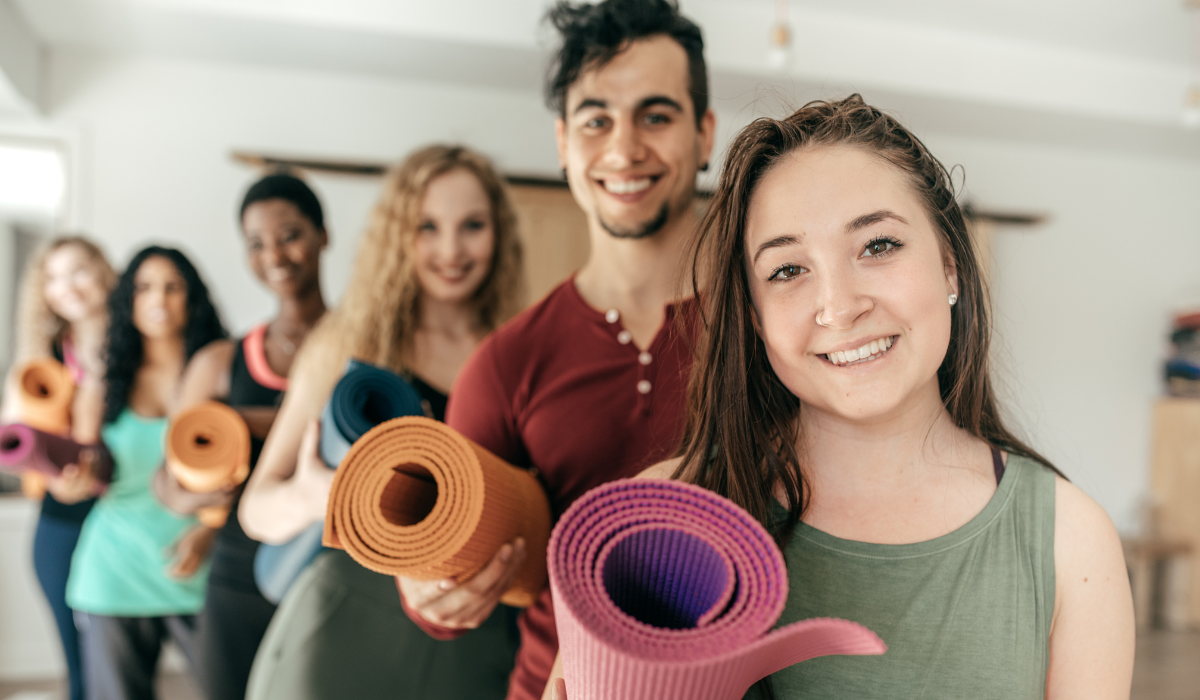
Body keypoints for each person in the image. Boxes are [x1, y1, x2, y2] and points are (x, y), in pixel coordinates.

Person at [552, 95, 1135, 699]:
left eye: (878, 246)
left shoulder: (1072, 541)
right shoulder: (657, 517)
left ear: (951, 266)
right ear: (754, 320)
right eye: (787, 270)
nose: (839, 305)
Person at [396, 2, 716, 699]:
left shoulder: (776, 333)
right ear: (565, 142)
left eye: (656, 116)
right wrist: (429, 586)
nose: (624, 149)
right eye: (598, 120)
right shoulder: (507, 362)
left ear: (705, 133)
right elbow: (449, 567)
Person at [237, 144, 525, 700]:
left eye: (472, 226)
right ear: (397, 234)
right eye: (427, 227)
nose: (451, 249)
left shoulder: (516, 353)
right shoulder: (350, 343)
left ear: (499, 234)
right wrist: (319, 495)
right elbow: (256, 510)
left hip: (473, 633)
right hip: (345, 626)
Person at [151, 173, 329, 700]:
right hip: (238, 577)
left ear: (324, 235)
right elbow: (167, 481)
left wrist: (251, 425)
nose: (274, 254)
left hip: (331, 575)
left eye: (290, 234)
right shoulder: (220, 364)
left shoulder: (362, 347)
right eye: (256, 243)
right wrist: (195, 491)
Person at [66, 246, 227, 700]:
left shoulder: (219, 372)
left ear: (192, 298)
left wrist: (208, 532)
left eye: (173, 286)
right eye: (144, 287)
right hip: (112, 572)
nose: (159, 298)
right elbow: (83, 471)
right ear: (127, 300)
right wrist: (73, 483)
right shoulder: (104, 380)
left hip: (198, 568)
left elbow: (245, 472)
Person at [0, 236, 115, 700]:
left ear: (106, 271)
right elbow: (13, 432)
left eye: (79, 270)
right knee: (80, 669)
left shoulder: (140, 348)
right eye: (52, 277)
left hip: (124, 518)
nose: (67, 287)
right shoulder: (42, 359)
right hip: (61, 521)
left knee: (118, 665)